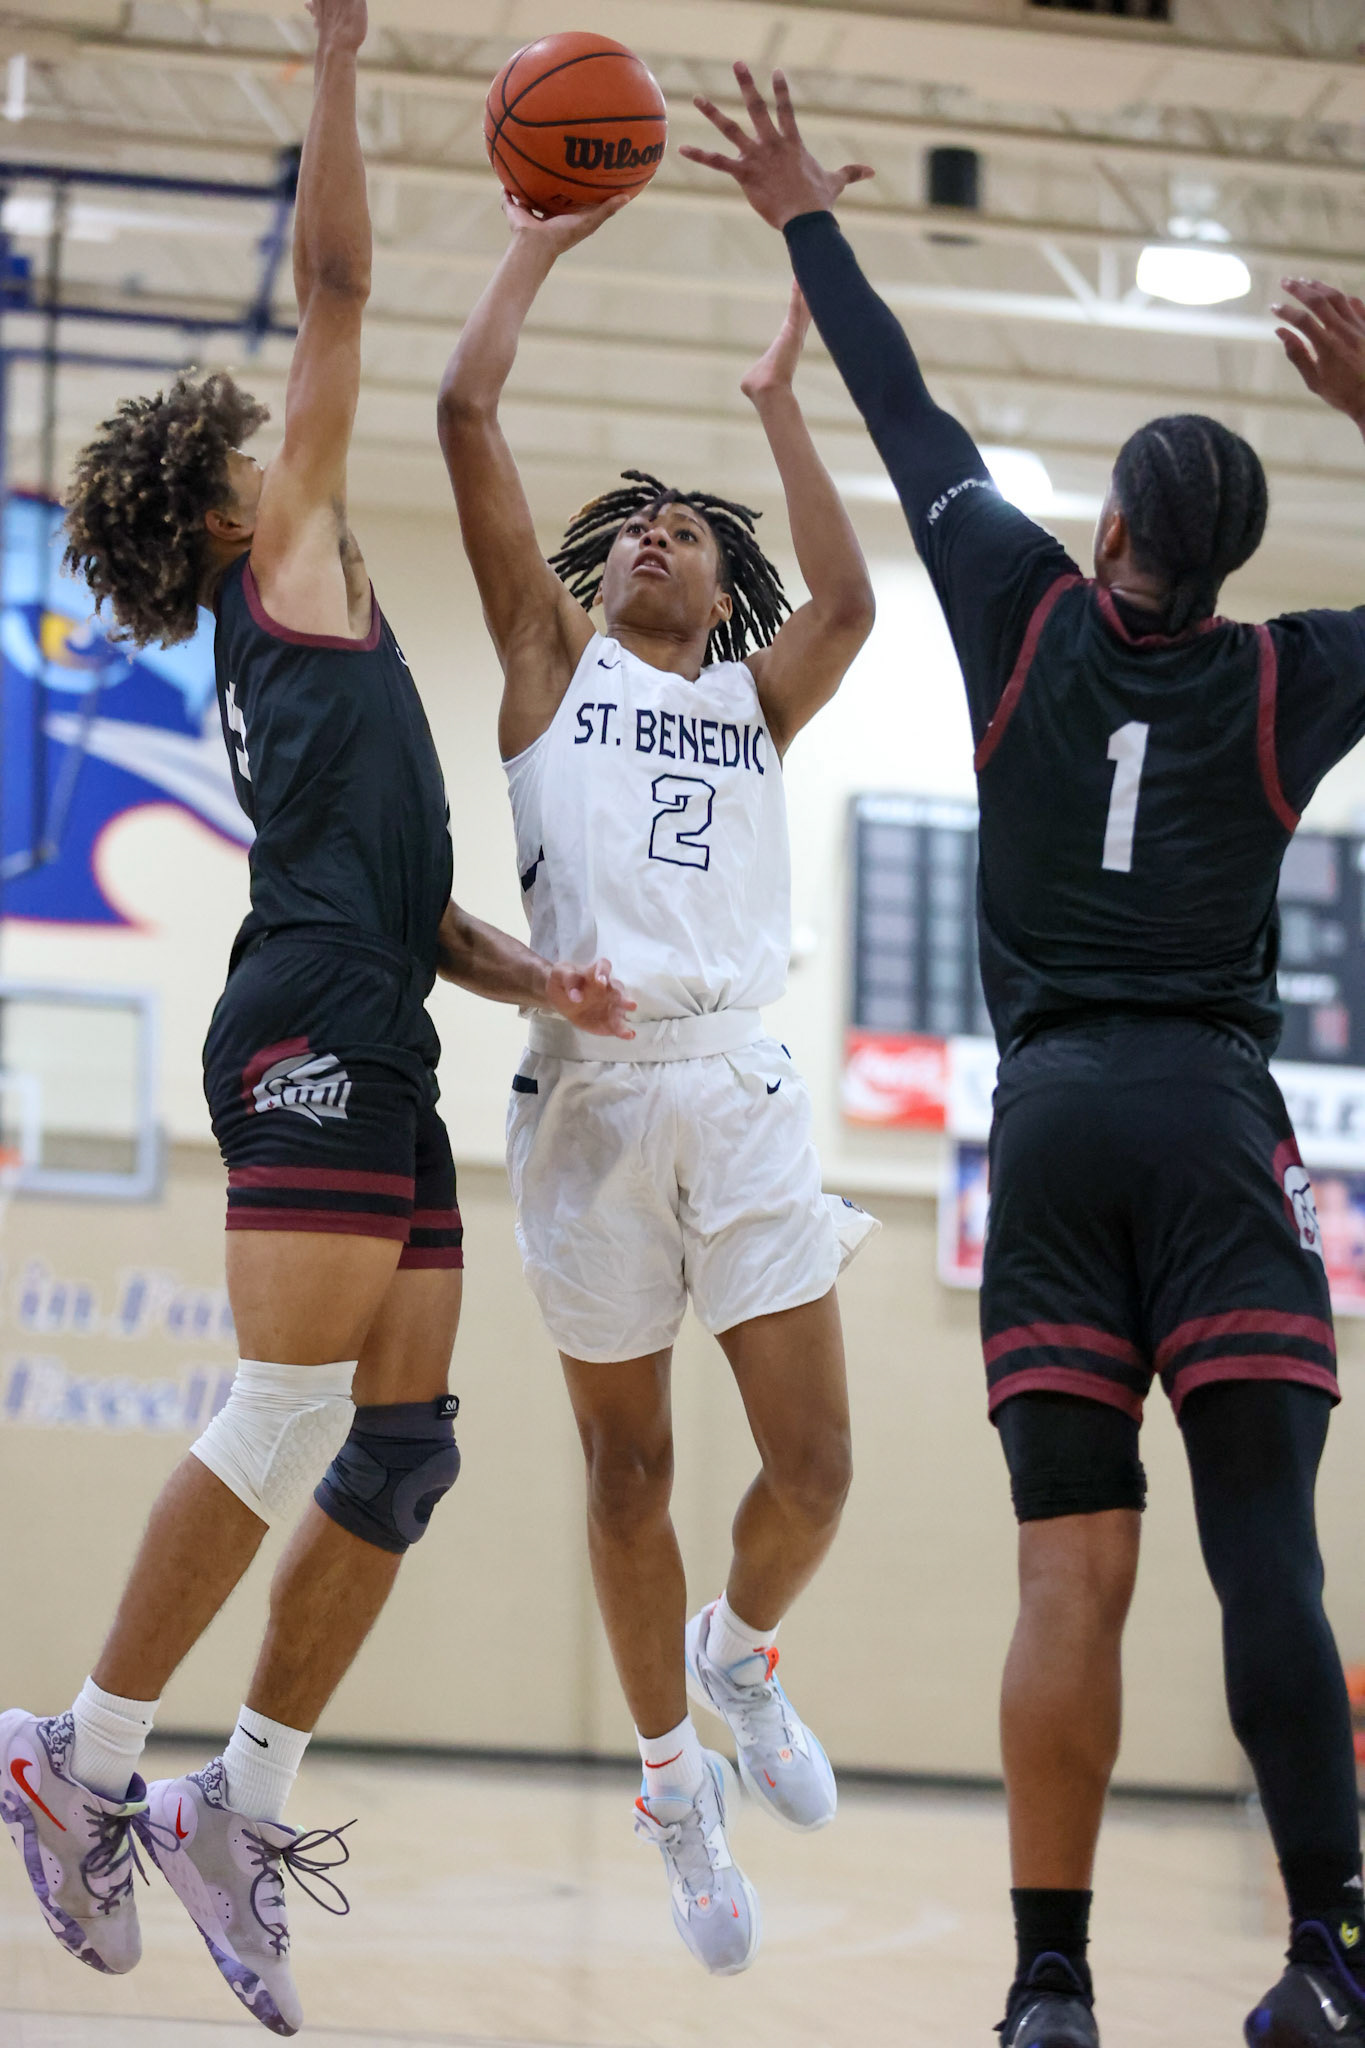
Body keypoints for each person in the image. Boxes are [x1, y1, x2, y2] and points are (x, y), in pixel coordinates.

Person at [688, 62, 1365, 2048]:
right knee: (1264, 1561)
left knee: (1065, 1575)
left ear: (1107, 526)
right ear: (1228, 560)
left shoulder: (1015, 612)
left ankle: (1046, 1988)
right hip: (1210, 1123)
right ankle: (1326, 1958)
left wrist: (804, 211)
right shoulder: (1283, 677)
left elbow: (903, 414)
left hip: (1046, 1131)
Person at [0, 2, 629, 2035]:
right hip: (303, 1033)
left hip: (371, 1007)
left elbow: (391, 894)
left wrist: (528, 975)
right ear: (219, 508)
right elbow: (340, 285)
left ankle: (229, 1802)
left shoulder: (311, 651)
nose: (294, 444)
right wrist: (343, 60)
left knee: (405, 1441)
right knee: (281, 1410)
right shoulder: (279, 560)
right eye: (261, 446)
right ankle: (77, 1756)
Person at [437, 189, 878, 1976]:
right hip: (590, 1100)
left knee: (820, 1465)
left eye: (689, 536)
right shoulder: (547, 674)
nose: (656, 541)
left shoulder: (756, 708)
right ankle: (670, 1785)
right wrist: (536, 238)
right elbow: (465, 419)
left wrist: (781, 395)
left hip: (744, 1086)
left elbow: (847, 596)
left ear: (716, 587)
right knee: (629, 1479)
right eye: (636, 529)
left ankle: (741, 1663)